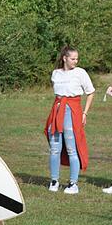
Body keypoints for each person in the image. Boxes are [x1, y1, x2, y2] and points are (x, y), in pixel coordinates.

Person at [45, 45, 94, 194]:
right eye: (72, 58)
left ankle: (73, 183)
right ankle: (54, 181)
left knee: (72, 148)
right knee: (54, 148)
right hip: (58, 109)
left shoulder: (80, 73)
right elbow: (58, 95)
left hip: (73, 111)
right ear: (65, 58)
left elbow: (90, 92)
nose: (75, 61)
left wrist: (84, 113)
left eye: (77, 58)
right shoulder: (56, 73)